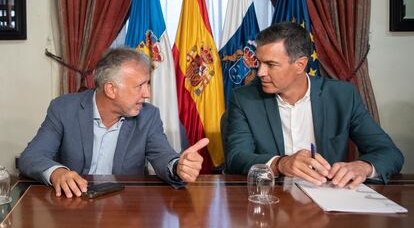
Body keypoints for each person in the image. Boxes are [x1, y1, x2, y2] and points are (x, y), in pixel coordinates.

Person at [224, 22, 404, 188]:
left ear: (300, 65)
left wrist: (363, 166)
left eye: (271, 64)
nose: (260, 72)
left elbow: (389, 152)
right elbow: (236, 157)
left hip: (327, 200)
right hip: (271, 198)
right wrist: (280, 164)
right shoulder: (244, 98)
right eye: (259, 63)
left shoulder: (342, 96)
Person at [20, 48, 207, 198]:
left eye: (148, 84)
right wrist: (57, 173)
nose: (147, 94)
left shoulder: (148, 116)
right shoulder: (64, 108)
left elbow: (163, 156)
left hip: (125, 208)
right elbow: (30, 157)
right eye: (140, 86)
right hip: (72, 205)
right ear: (111, 89)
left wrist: (178, 167)